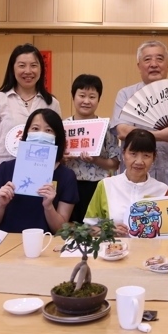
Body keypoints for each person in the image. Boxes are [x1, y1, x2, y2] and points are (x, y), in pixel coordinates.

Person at [0, 43, 61, 206]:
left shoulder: (51, 103)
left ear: (41, 69)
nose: (28, 71)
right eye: (22, 65)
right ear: (13, 68)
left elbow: (58, 143)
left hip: (39, 181)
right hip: (3, 178)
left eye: (33, 65)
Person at [111, 40, 168, 195]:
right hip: (133, 182)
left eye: (159, 59)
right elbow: (122, 131)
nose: (154, 64)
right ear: (139, 66)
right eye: (147, 59)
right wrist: (162, 135)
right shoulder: (126, 95)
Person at [0, 109, 77, 233]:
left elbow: (60, 230)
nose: (41, 134)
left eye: (48, 130)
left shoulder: (67, 176)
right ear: (26, 133)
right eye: (35, 129)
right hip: (7, 239)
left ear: (57, 137)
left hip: (44, 241)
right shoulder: (5, 169)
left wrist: (49, 207)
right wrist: (0, 204)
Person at [84, 129, 168, 237]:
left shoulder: (162, 190)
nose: (139, 161)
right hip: (114, 247)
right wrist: (107, 231)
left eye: (146, 155)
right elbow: (87, 228)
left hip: (150, 248)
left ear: (154, 157)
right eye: (133, 154)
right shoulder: (106, 185)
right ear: (123, 154)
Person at [64, 74, 120, 223]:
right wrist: (63, 158)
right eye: (82, 95)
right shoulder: (63, 126)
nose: (86, 101)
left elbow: (115, 164)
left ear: (99, 99)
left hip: (97, 186)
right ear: (73, 96)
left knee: (95, 228)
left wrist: (96, 160)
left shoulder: (106, 127)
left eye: (92, 97)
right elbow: (54, 163)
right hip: (69, 185)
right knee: (69, 228)